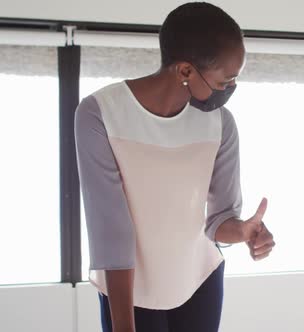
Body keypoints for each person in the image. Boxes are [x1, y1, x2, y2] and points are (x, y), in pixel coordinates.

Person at [75, 3, 275, 332]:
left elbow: (219, 221)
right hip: (128, 290)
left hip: (200, 281)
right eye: (225, 81)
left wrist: (243, 231)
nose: (229, 90)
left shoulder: (220, 124)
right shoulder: (100, 113)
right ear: (185, 71)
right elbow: (110, 232)